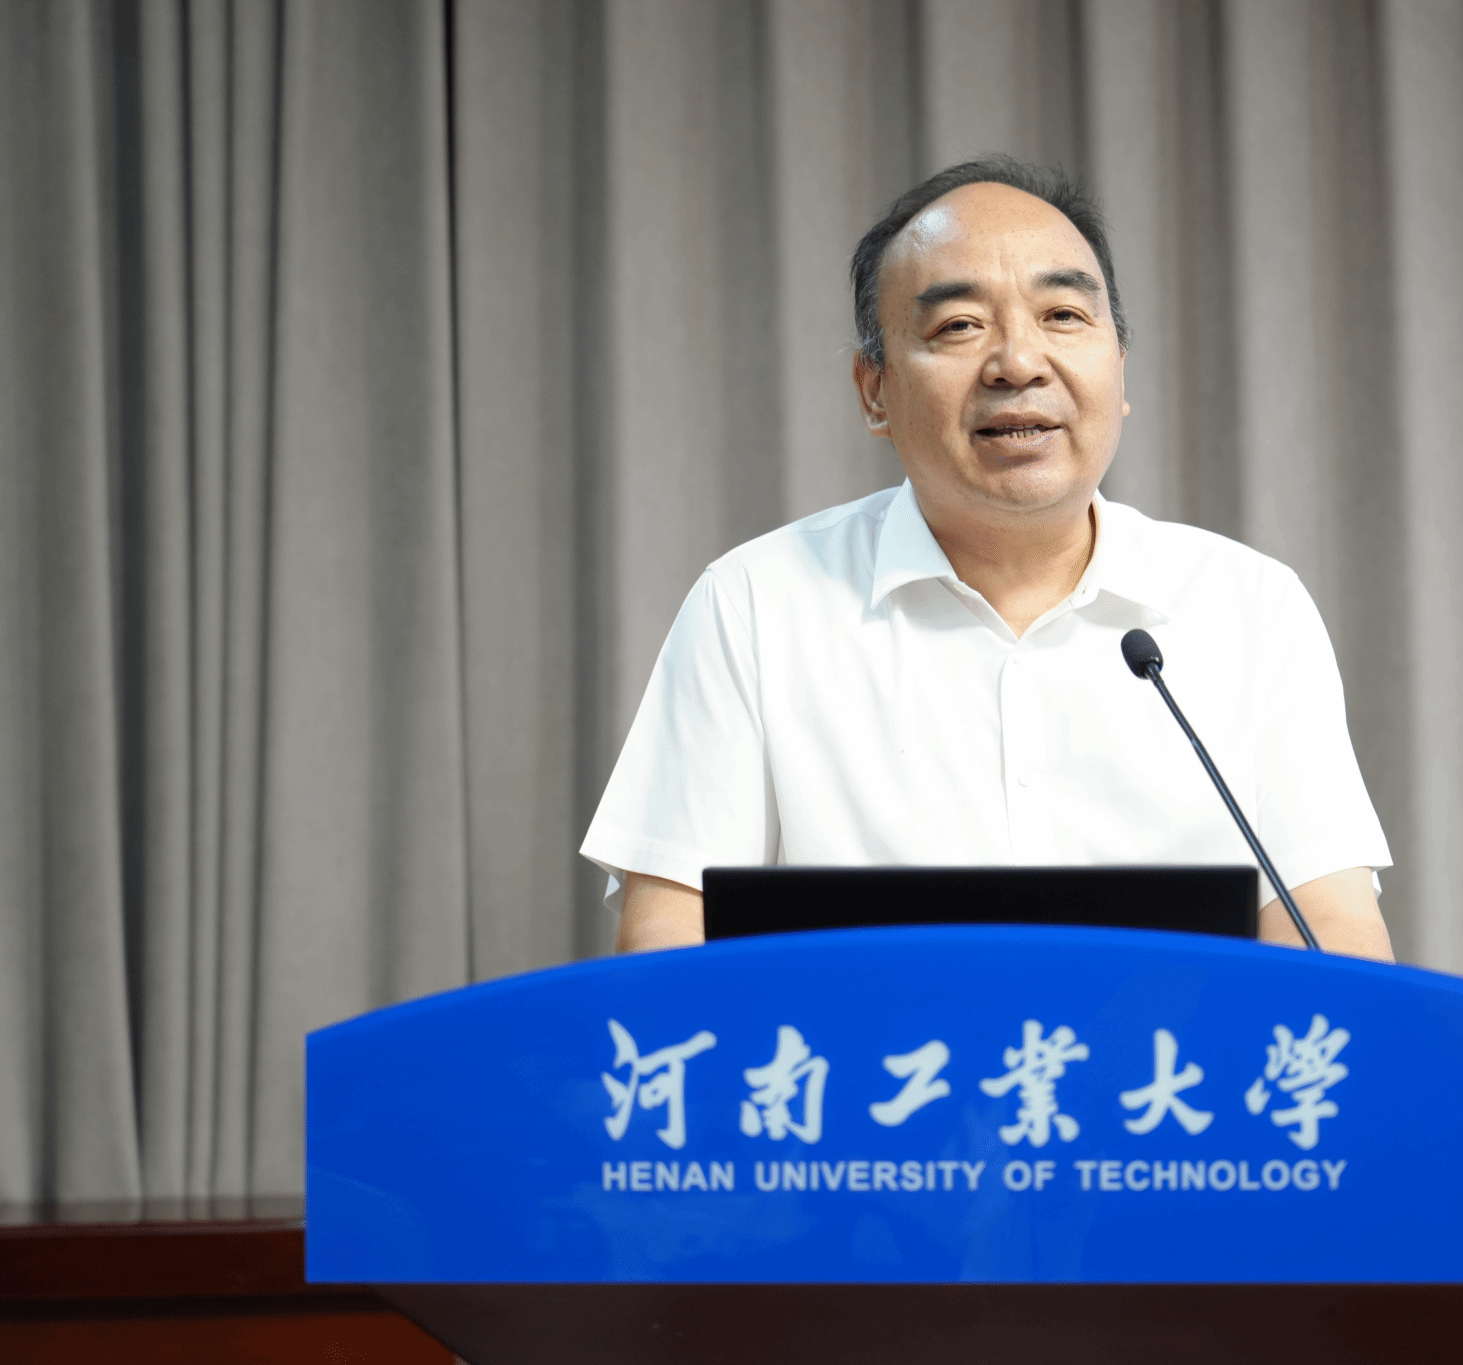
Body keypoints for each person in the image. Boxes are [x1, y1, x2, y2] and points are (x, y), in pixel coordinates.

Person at [582, 157, 1394, 960]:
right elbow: (667, 939)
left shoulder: (1250, 607)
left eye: (1063, 316)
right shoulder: (755, 604)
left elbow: (1332, 931)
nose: (1019, 362)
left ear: (1119, 369)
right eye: (960, 326)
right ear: (874, 390)